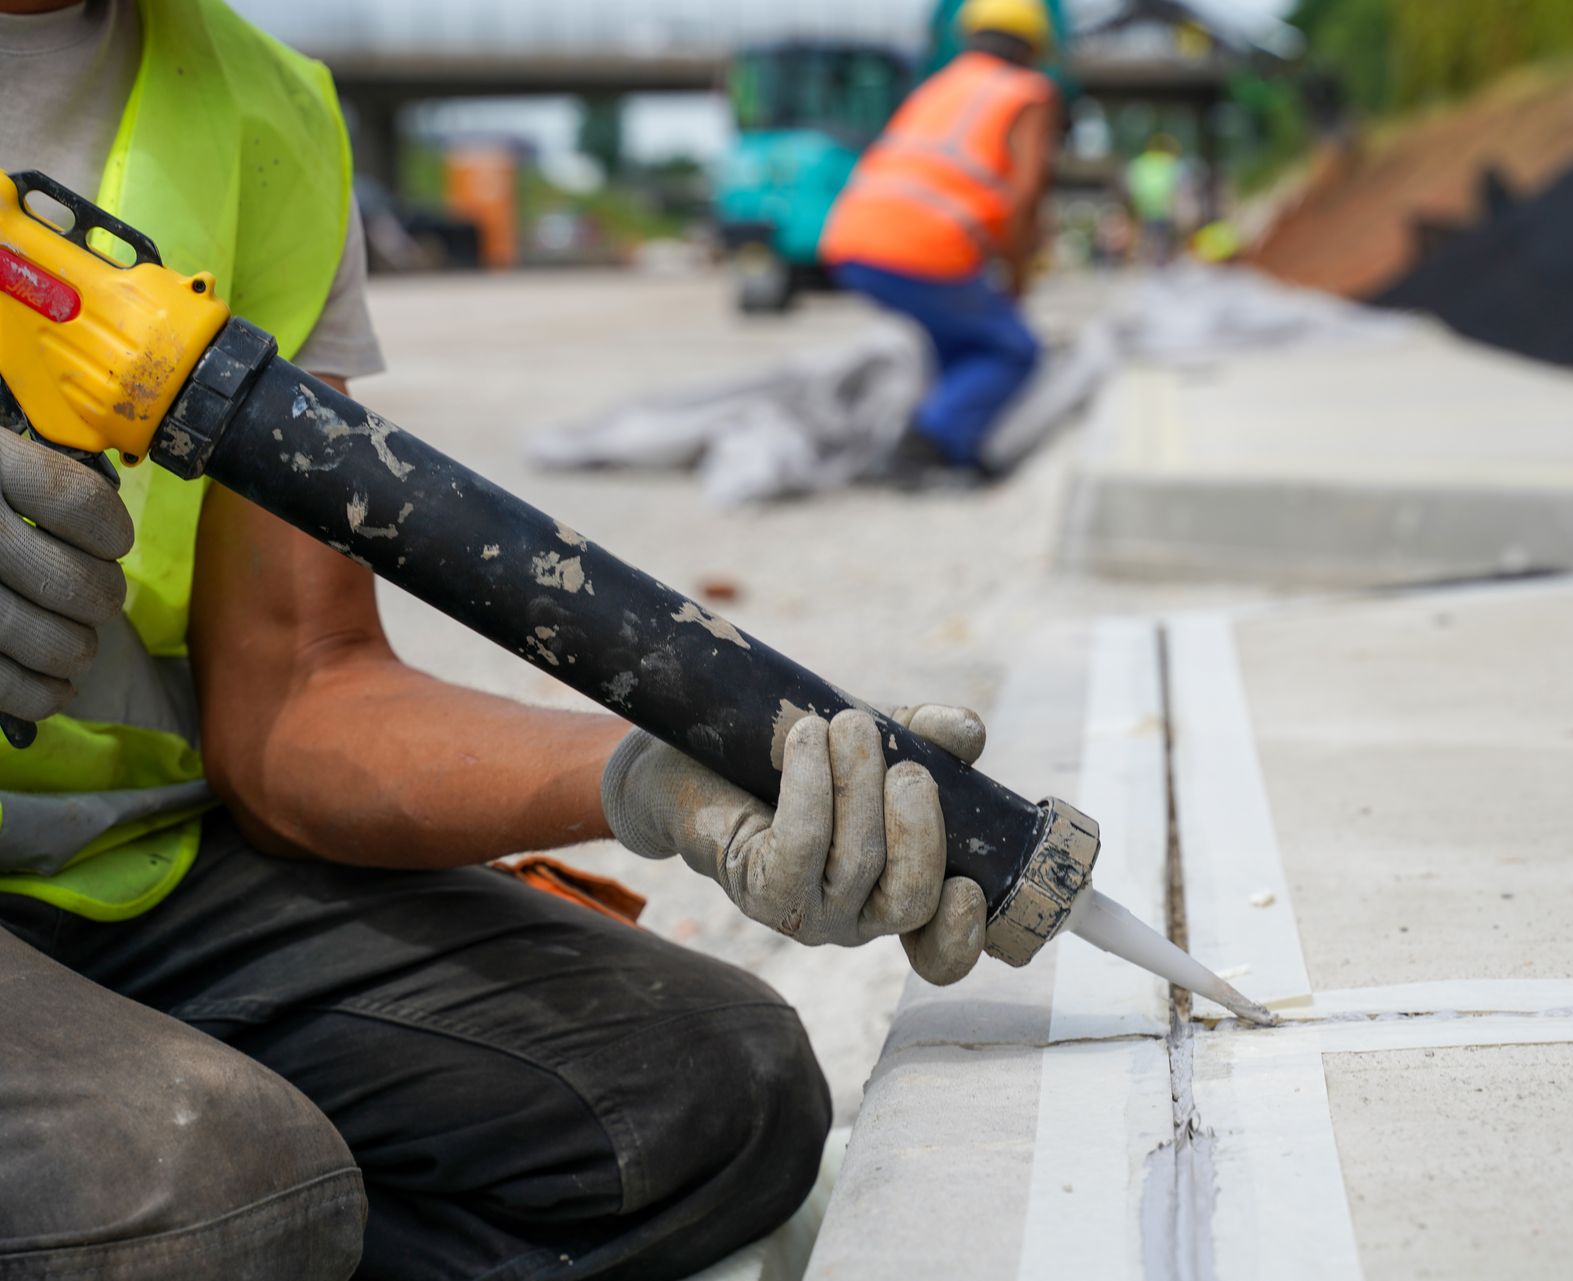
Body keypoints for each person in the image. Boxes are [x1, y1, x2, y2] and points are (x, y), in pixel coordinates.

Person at [0, 1, 989, 1277]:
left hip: (136, 878)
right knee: (215, 1197)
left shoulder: (262, 108)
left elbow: (299, 690)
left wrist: (658, 781)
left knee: (711, 1094)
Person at [820, 0, 1061, 485]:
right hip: (923, 245)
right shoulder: (1028, 92)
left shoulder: (938, 87)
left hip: (851, 237)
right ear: (1035, 46)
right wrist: (1017, 274)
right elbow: (1026, 192)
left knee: (959, 342)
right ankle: (923, 446)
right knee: (1013, 349)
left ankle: (953, 445)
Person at [1125, 133, 1184, 268]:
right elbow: (1175, 185)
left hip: (1144, 205)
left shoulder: (1140, 162)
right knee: (1162, 236)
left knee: (1145, 235)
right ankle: (1160, 260)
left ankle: (1144, 260)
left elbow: (1132, 183)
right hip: (1164, 205)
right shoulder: (1169, 162)